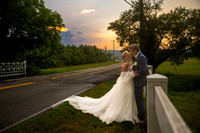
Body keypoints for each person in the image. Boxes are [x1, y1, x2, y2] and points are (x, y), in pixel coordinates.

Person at [66, 51, 140, 124]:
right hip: (124, 83)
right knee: (123, 97)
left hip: (129, 83)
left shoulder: (130, 62)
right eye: (128, 53)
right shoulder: (125, 64)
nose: (130, 53)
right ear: (126, 56)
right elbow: (123, 76)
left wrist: (132, 74)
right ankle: (121, 113)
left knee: (128, 97)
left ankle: (127, 111)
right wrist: (132, 75)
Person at [129, 44, 147, 123]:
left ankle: (141, 118)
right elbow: (137, 67)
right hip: (137, 82)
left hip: (139, 82)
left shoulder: (141, 57)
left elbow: (143, 70)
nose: (130, 52)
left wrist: (136, 73)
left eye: (131, 51)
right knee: (138, 99)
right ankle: (139, 116)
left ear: (135, 50)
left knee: (139, 100)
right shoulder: (138, 57)